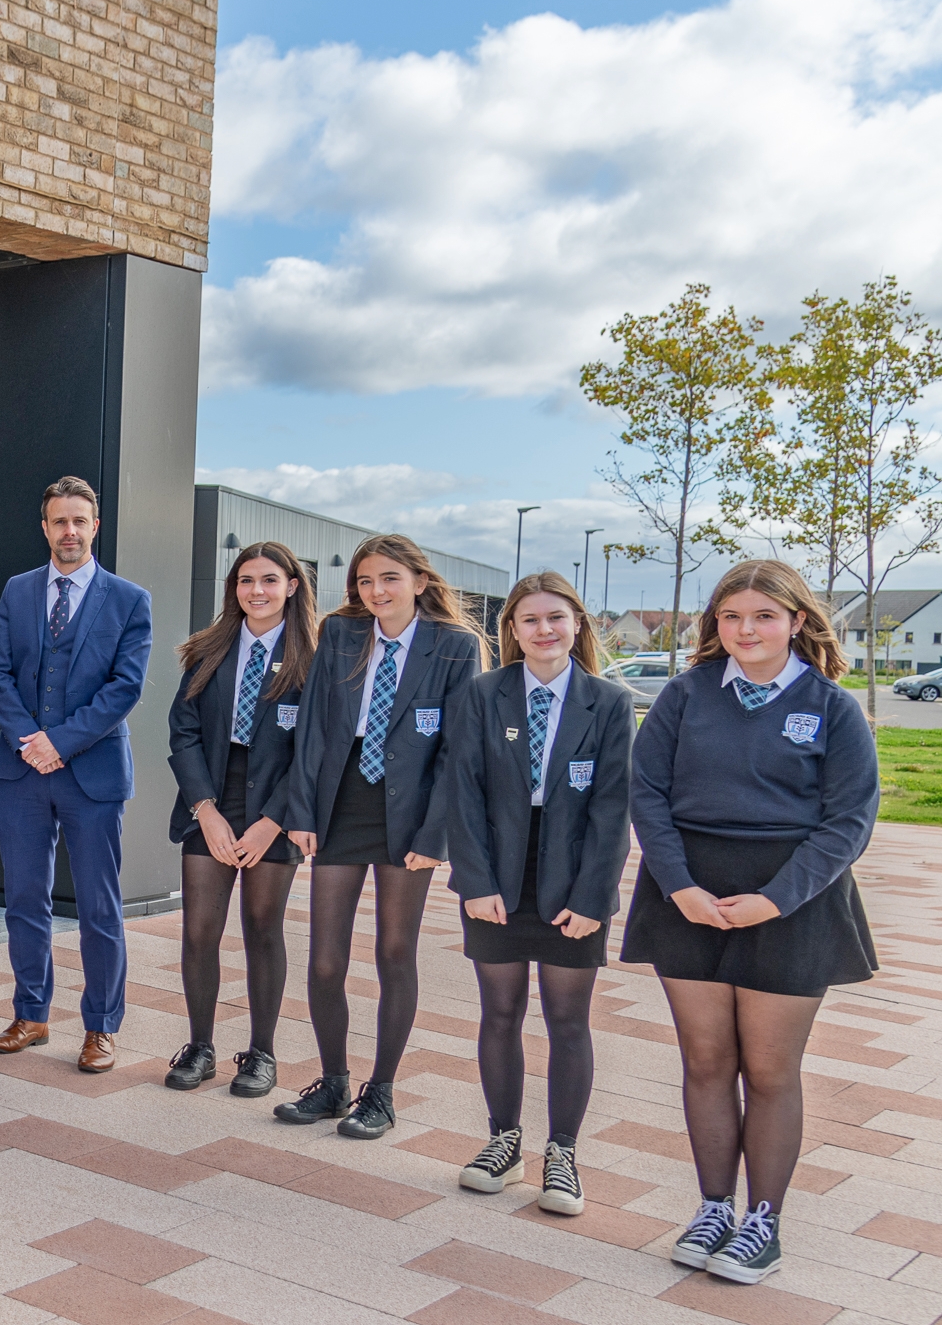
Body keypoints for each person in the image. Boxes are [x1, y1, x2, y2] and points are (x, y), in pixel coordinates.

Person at [628, 559, 878, 1286]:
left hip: (792, 902)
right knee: (706, 1063)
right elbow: (647, 795)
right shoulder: (684, 695)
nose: (746, 630)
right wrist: (679, 886)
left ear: (796, 621)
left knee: (769, 1071)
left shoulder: (832, 707)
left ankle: (762, 1222)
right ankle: (712, 1209)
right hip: (689, 899)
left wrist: (777, 897)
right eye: (732, 617)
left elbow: (849, 819)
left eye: (764, 616)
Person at [438, 572, 634, 1215]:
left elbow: (613, 811)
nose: (544, 630)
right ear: (512, 631)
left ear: (577, 624)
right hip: (497, 868)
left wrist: (595, 898)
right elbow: (461, 793)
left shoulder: (608, 703)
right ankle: (503, 1142)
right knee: (499, 1012)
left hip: (573, 875)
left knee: (567, 1018)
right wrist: (476, 880)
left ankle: (563, 1154)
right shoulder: (482, 694)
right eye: (530, 620)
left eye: (556, 618)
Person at [277, 533, 484, 1137]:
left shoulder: (454, 646)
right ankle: (334, 1083)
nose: (376, 591)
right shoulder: (340, 635)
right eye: (366, 581)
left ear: (420, 581)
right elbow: (313, 724)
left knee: (395, 953)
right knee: (324, 961)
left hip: (410, 814)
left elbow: (458, 750)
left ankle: (382, 1092)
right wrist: (303, 811)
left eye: (389, 578)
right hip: (341, 803)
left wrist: (435, 832)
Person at [0, 476, 153, 1074]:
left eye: (79, 521)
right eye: (59, 521)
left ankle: (101, 1028)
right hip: (23, 769)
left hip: (93, 776)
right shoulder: (18, 591)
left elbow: (124, 689)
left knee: (99, 907)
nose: (69, 532)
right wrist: (33, 743)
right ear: (45, 526)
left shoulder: (129, 600)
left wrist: (61, 742)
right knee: (24, 900)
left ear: (94, 526)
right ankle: (31, 1014)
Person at [163, 541, 315, 1096]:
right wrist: (206, 811)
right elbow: (182, 732)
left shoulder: (315, 658)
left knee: (261, 929)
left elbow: (315, 752)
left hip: (276, 805)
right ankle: (200, 1047)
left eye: (269, 580)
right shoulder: (209, 649)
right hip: (213, 798)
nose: (257, 591)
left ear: (292, 586)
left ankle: (262, 1054)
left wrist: (273, 821)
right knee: (200, 931)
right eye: (246, 580)